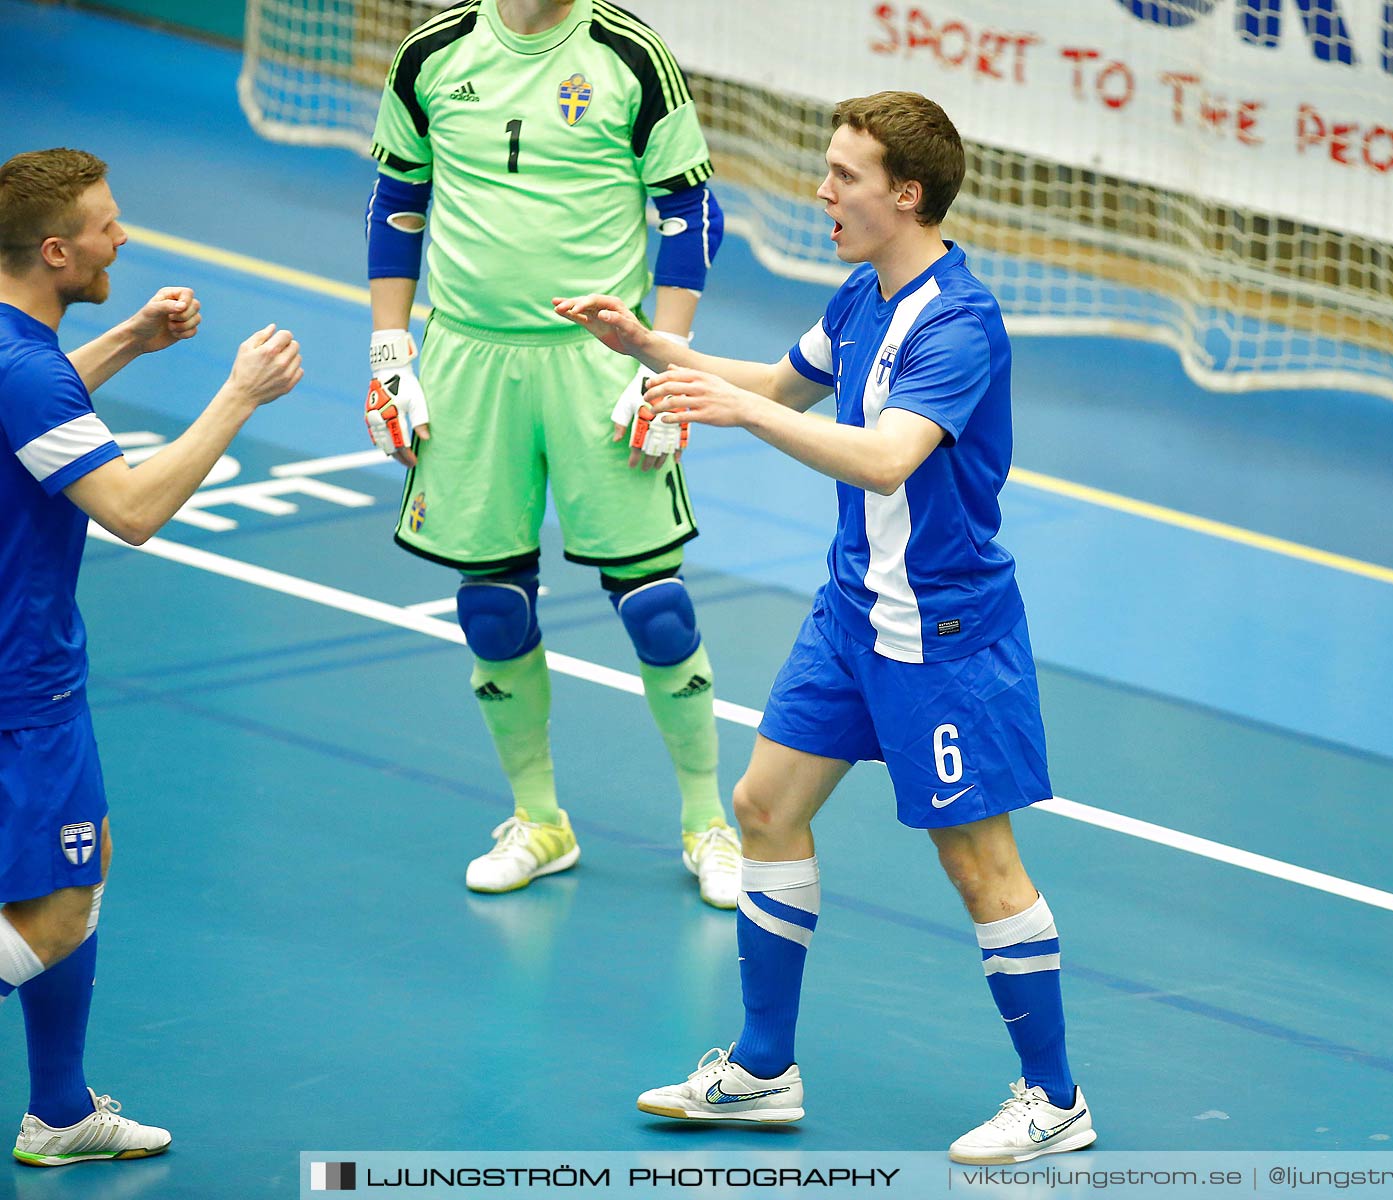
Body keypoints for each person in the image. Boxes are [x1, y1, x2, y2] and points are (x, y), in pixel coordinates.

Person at [554, 91, 1096, 1165]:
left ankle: (1056, 1098)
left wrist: (741, 416)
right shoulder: (861, 295)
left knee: (979, 864)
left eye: (843, 175)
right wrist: (644, 342)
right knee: (763, 806)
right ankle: (762, 1070)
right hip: (853, 610)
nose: (821, 189)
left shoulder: (959, 321)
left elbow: (889, 454)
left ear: (907, 194)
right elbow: (780, 384)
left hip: (942, 634)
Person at [364, 0, 740, 904]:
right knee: (491, 606)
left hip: (598, 359)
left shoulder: (630, 54)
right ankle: (539, 821)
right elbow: (399, 201)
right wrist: (389, 348)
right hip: (466, 359)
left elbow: (689, 213)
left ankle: (707, 822)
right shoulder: (432, 53)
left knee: (656, 605)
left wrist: (661, 362)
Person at [0, 147, 303, 1166]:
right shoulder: (28, 370)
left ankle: (60, 1110)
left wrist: (127, 338)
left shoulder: (13, 351)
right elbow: (130, 508)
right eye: (104, 226)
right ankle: (57, 1111)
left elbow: (36, 411)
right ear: (55, 251)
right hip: (22, 689)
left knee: (58, 879)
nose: (121, 238)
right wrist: (239, 395)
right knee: (63, 902)